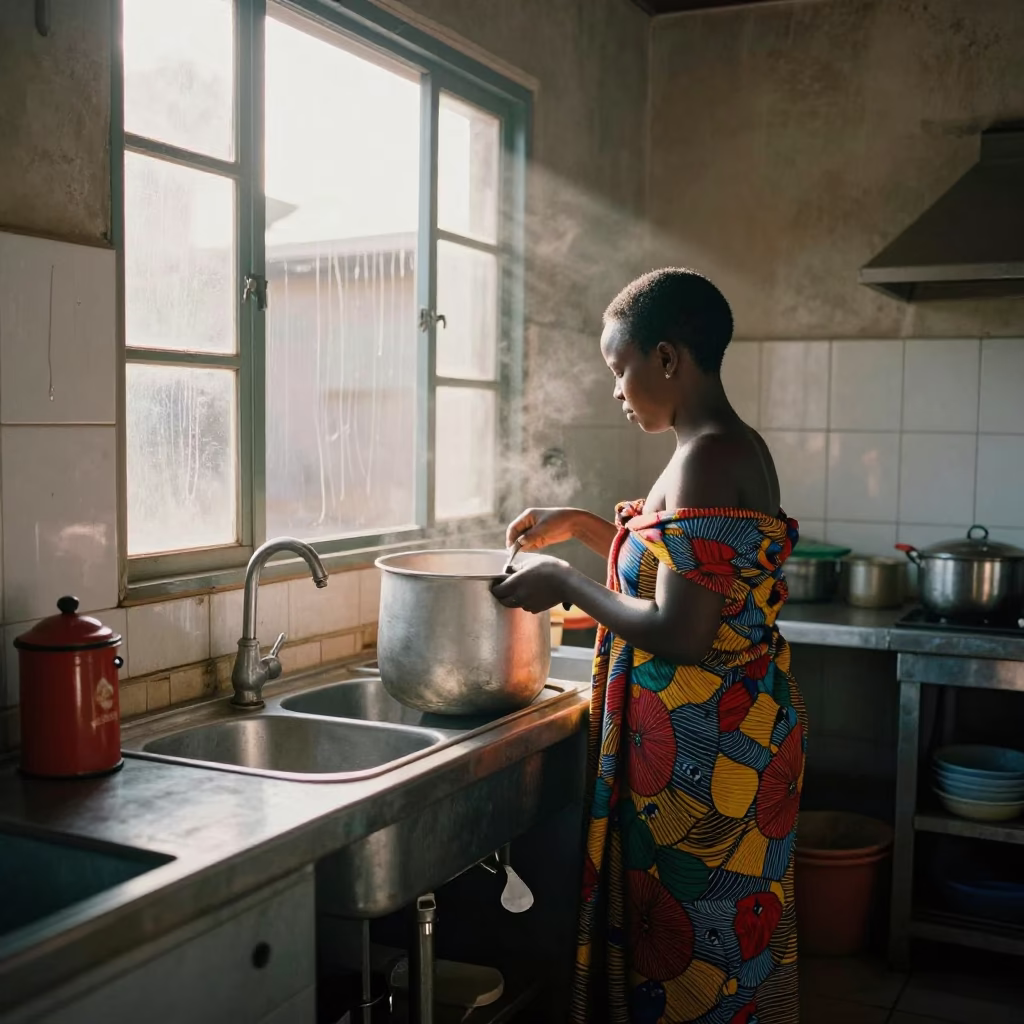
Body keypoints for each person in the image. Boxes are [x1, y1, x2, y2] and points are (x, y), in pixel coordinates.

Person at [492, 268, 805, 1023]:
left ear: (667, 358)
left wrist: (565, 582)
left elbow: (681, 631)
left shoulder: (704, 458)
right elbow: (687, 574)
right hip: (730, 742)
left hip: (708, 756)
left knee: (701, 954)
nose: (616, 390)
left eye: (619, 368)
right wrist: (582, 525)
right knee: (719, 947)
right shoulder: (722, 445)